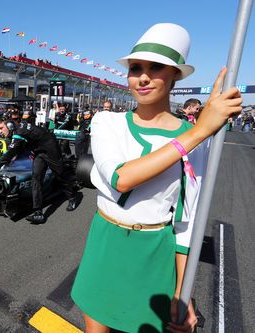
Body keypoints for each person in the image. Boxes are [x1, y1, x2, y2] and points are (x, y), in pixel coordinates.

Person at [70, 23, 242, 333]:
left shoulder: (194, 142)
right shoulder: (107, 122)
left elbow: (187, 221)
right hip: (105, 246)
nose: (143, 77)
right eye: (136, 68)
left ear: (176, 74)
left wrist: (182, 293)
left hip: (154, 255)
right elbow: (122, 178)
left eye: (156, 67)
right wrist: (200, 130)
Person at [0, 117, 78, 224]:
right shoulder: (17, 131)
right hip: (39, 151)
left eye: (1, 128)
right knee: (36, 178)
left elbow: (12, 151)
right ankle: (38, 212)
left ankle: (72, 198)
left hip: (50, 148)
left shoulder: (19, 132)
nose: (0, 131)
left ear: (9, 126)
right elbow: (18, 149)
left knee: (60, 175)